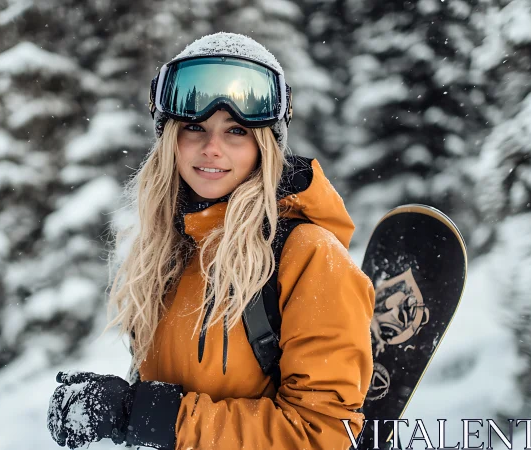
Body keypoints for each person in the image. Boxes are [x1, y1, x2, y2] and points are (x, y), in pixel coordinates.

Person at [46, 32, 375, 450]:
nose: (211, 148)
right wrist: (115, 410)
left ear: (265, 146)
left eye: (236, 130)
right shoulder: (167, 253)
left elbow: (321, 434)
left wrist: (145, 415)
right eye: (195, 128)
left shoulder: (309, 256)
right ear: (170, 140)